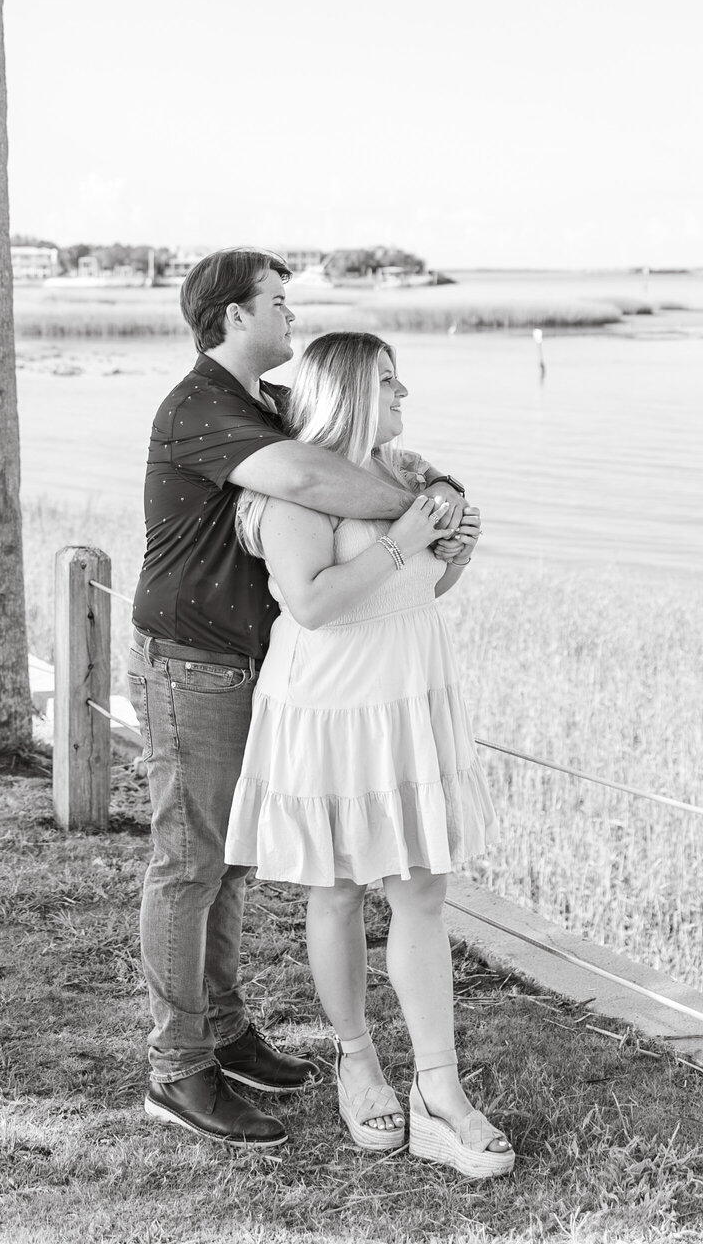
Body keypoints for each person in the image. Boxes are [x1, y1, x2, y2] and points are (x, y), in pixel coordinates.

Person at [130, 248, 473, 1150]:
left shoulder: (269, 404)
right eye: (279, 303)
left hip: (264, 668)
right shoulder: (201, 407)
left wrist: (435, 489)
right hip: (195, 662)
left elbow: (345, 443)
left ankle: (227, 1030)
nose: (293, 317)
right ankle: (179, 1066)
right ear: (234, 317)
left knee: (231, 863)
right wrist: (420, 511)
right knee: (191, 864)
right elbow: (319, 480)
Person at [224, 330, 510, 1180]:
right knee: (340, 887)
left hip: (408, 697)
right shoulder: (295, 489)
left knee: (424, 889)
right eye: (388, 381)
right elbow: (309, 605)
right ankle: (357, 1059)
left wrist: (453, 550)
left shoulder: (405, 471)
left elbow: (421, 587)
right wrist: (401, 537)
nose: (403, 395)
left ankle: (440, 1092)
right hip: (331, 706)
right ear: (348, 389)